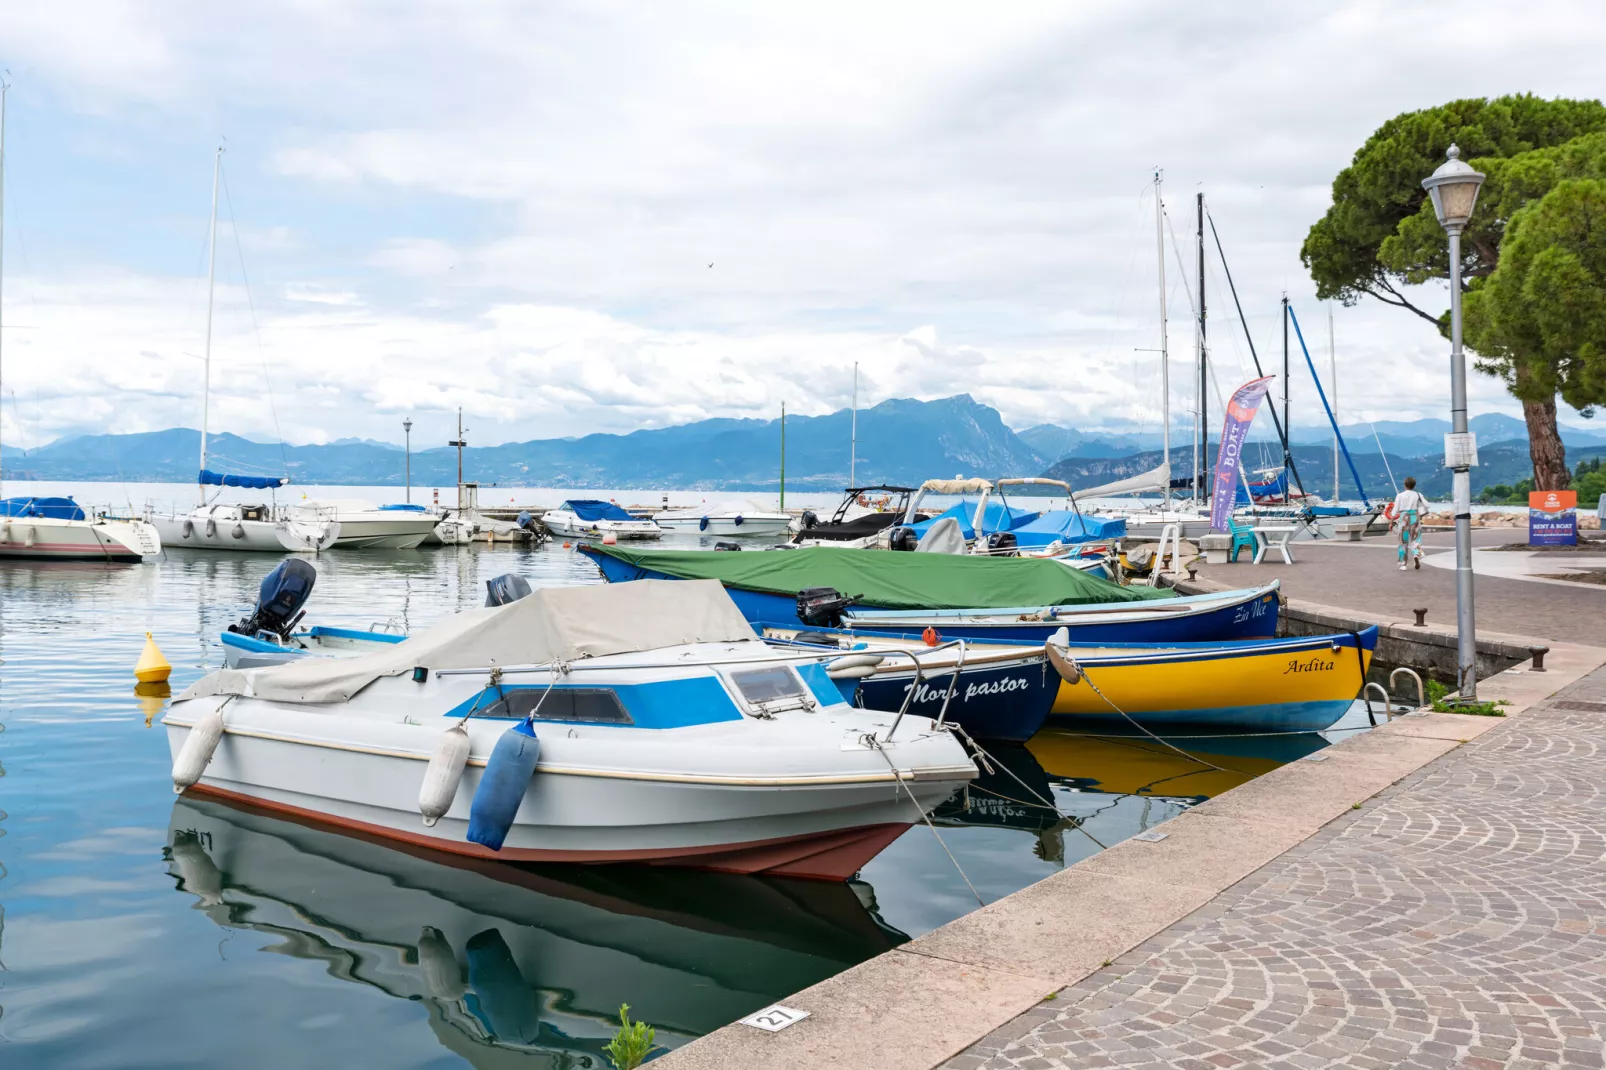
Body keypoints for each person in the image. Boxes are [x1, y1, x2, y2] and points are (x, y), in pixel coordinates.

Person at [1391, 477, 1429, 570]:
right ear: (1414, 485)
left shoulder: (1400, 495)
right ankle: (1416, 554)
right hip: (1414, 517)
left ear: (1404, 485)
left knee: (1402, 541)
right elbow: (1425, 505)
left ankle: (1403, 564)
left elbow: (1395, 510)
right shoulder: (1417, 494)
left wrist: (1391, 522)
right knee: (1416, 538)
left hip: (1404, 517)